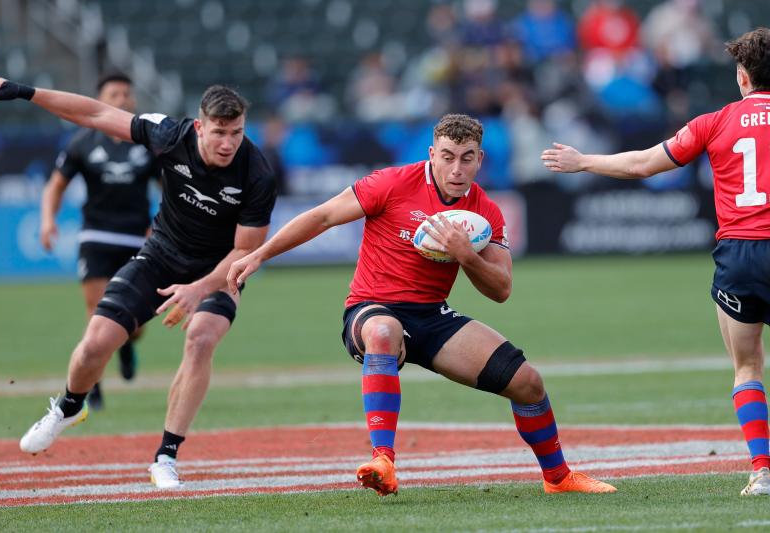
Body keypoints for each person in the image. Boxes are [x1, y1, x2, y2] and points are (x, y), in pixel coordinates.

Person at [226, 114, 616, 496]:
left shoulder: (486, 212)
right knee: (384, 331)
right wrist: (260, 255)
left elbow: (501, 289)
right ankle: (383, 460)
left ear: (480, 160)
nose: (457, 168)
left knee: (527, 383)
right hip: (371, 308)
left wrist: (467, 256)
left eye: (467, 158)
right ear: (432, 154)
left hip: (431, 316)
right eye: (447, 156)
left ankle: (558, 477)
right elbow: (324, 216)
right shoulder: (392, 183)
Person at [0, 77, 277, 489]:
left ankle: (166, 457)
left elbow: (246, 252)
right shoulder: (170, 134)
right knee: (96, 341)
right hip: (161, 254)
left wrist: (200, 288)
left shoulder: (256, 172)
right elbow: (95, 114)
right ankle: (68, 407)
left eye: (236, 133)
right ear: (200, 126)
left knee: (202, 338)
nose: (228, 143)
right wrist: (26, 92)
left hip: (220, 270)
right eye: (219, 133)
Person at [541, 27, 770, 496]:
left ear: (743, 78)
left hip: (740, 257)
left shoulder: (714, 121)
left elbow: (644, 164)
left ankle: (762, 472)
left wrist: (583, 161)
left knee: (747, 367)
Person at [40, 72, 158, 410]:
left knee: (133, 322)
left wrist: (162, 227)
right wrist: (48, 219)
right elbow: (56, 185)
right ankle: (92, 387)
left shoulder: (148, 145)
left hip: (138, 238)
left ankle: (127, 344)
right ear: (100, 100)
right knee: (97, 313)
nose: (122, 99)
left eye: (126, 94)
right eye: (114, 94)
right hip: (96, 236)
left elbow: (172, 192)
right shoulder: (82, 143)